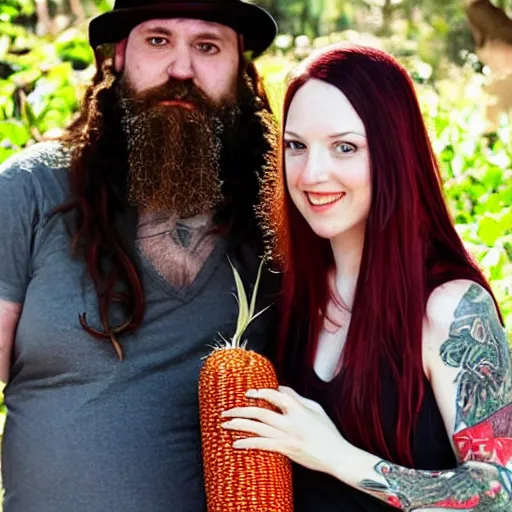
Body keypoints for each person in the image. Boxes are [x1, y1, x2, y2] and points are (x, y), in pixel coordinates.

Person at [0, 1, 280, 511]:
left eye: (207, 46)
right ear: (119, 56)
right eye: (158, 40)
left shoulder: (279, 216)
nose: (181, 68)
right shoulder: (31, 191)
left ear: (240, 67)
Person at [221, 44, 512, 511]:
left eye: (345, 147)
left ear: (395, 154)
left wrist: (338, 457)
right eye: (296, 146)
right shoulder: (293, 295)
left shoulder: (452, 308)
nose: (312, 174)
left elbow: (500, 492)